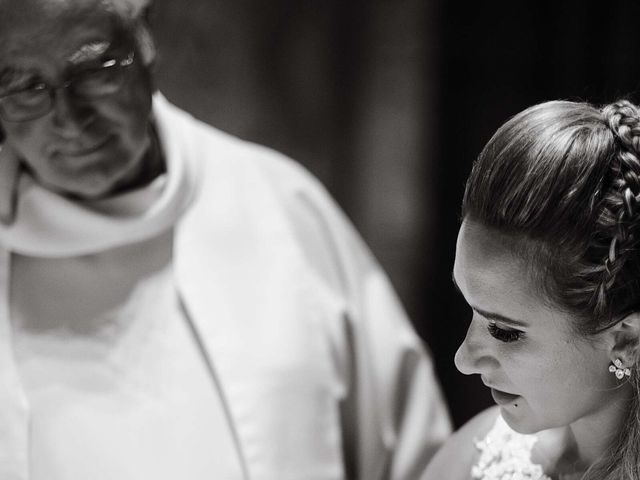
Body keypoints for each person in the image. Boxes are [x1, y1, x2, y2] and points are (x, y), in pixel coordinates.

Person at [0, 0, 452, 479]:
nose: (70, 120)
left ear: (145, 39)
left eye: (94, 69)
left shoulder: (280, 207)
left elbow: (416, 456)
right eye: (24, 87)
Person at [422, 98, 640, 480]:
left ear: (627, 341)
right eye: (471, 308)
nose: (463, 360)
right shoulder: (470, 462)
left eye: (505, 332)